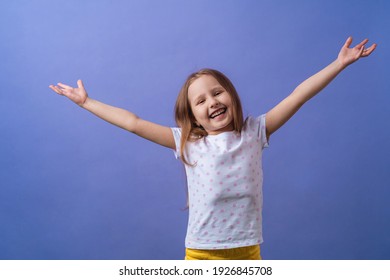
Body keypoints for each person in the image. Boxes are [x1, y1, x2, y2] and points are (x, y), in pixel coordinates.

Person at [49, 36, 376, 260]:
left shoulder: (254, 132)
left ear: (231, 96)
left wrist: (339, 64)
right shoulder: (187, 143)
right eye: (201, 101)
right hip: (201, 253)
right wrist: (87, 102)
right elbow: (133, 122)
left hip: (248, 251)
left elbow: (298, 95)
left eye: (217, 93)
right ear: (192, 115)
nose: (212, 102)